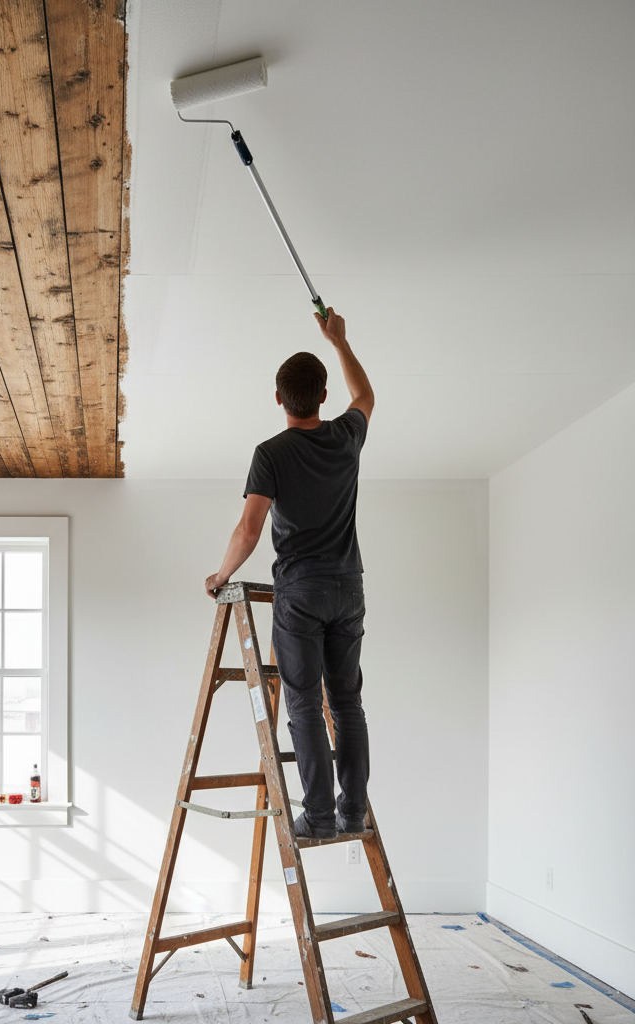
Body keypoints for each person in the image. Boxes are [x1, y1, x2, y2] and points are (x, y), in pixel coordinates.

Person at [204, 307, 374, 840]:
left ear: (279, 398)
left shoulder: (270, 453)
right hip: (349, 589)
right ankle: (352, 811)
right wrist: (340, 342)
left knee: (302, 700)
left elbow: (250, 530)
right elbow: (365, 397)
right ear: (323, 397)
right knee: (346, 702)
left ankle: (319, 816)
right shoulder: (346, 436)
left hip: (301, 592)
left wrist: (219, 575)